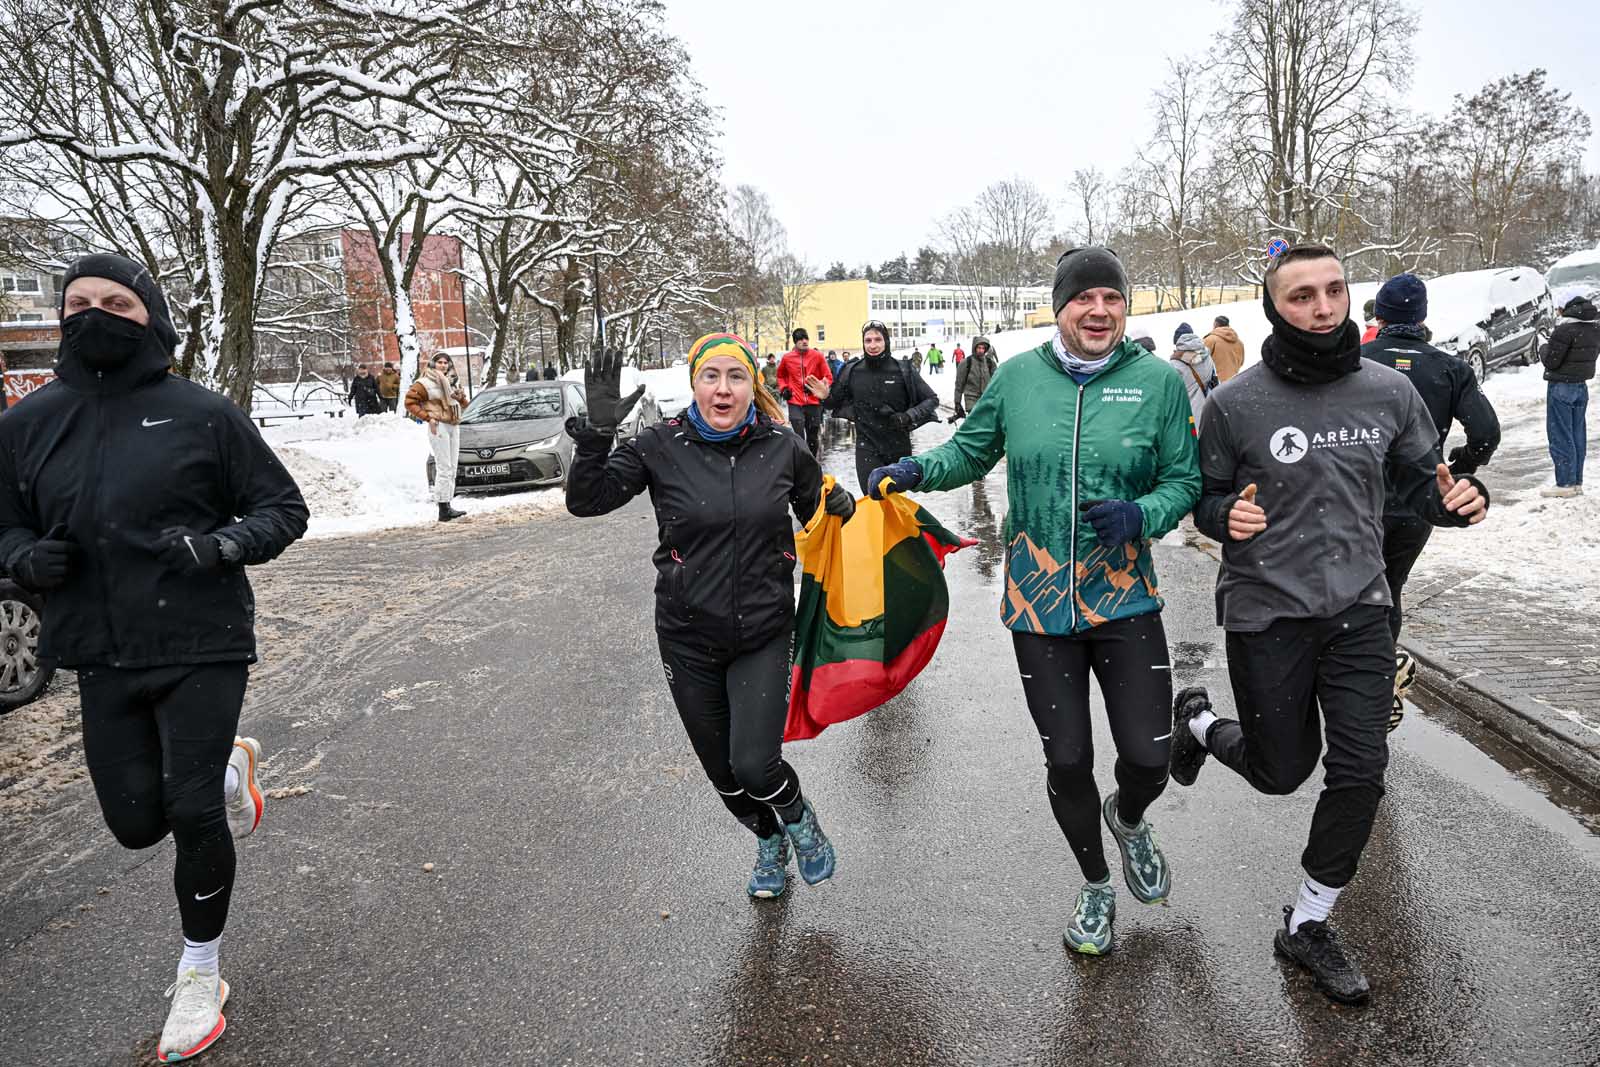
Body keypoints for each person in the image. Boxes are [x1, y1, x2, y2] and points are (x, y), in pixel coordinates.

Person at [0, 253, 308, 1062]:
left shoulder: (203, 413)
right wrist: (24, 556)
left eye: (117, 302)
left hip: (202, 639)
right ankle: (233, 767)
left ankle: (200, 972)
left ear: (152, 317)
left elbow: (283, 507)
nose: (94, 315)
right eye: (79, 302)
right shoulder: (28, 424)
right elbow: (4, 522)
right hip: (100, 649)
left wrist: (223, 545)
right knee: (137, 824)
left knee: (192, 809)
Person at [1171, 244, 1489, 1006]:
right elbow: (1202, 497)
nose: (1322, 306)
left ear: (1351, 295)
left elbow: (1421, 485)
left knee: (1360, 771)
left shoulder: (1388, 391)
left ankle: (1308, 921)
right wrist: (1224, 514)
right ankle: (1200, 721)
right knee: (1282, 771)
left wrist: (1459, 501)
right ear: (1274, 307)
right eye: (1302, 295)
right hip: (1266, 611)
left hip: (1359, 608)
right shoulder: (1234, 404)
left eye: (1334, 290)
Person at [867, 248, 1202, 956]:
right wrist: (915, 469)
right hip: (1039, 604)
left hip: (1126, 598)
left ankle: (1129, 818)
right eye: (1085, 298)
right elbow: (970, 451)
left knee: (1149, 757)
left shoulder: (1157, 383)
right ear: (1060, 308)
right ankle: (1096, 885)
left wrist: (1142, 515)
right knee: (1068, 760)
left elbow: (1183, 479)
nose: (1100, 311)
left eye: (1112, 298)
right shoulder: (1018, 377)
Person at [565, 338, 854, 899]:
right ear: (694, 384)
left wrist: (838, 506)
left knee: (754, 766)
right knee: (723, 775)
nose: (723, 389)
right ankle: (769, 840)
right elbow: (588, 500)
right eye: (711, 376)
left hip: (764, 631)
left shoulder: (783, 446)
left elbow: (818, 508)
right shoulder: (659, 445)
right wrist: (597, 438)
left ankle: (799, 819)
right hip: (687, 636)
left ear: (753, 385)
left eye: (736, 377)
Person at [1360, 273, 1500, 731]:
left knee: (1348, 591)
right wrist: (1461, 465)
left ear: (1380, 316)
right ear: (1421, 317)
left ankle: (1361, 681)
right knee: (1390, 586)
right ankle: (1378, 679)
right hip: (1416, 502)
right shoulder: (1450, 368)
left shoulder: (1358, 361)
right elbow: (1486, 432)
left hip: (1354, 499)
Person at [807, 320, 938, 493]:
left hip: (898, 446)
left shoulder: (903, 370)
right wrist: (825, 397)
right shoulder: (852, 370)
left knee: (895, 500)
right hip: (867, 446)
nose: (873, 345)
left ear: (886, 341)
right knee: (872, 496)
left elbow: (931, 399)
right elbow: (834, 403)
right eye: (868, 340)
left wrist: (908, 416)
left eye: (878, 340)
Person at [1540, 293, 1598, 498]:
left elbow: (1551, 361)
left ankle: (1565, 483)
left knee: (1560, 434)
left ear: (1566, 309)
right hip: (1581, 387)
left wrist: (1542, 347)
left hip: (1561, 387)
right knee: (1577, 434)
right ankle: (1576, 482)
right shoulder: (1594, 329)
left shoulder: (1564, 330)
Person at [405, 353, 469, 522]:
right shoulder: (424, 382)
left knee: (452, 467)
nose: (443, 365)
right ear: (433, 364)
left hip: (454, 425)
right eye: (439, 362)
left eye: (446, 362)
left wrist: (461, 398)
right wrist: (428, 418)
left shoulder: (453, 381)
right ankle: (443, 508)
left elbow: (464, 405)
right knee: (444, 467)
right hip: (439, 425)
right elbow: (409, 402)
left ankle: (447, 504)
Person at [776, 328, 831, 455]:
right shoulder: (787, 358)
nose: (804, 341)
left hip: (813, 402)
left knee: (812, 437)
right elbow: (780, 375)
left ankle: (812, 460)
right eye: (800, 339)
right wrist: (784, 388)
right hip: (795, 402)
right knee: (798, 436)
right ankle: (801, 461)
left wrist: (816, 387)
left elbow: (828, 377)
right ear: (795, 342)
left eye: (806, 338)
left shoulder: (817, 356)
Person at [1169, 329, 1219, 432]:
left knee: (1192, 437)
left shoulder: (1175, 364)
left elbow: (1171, 393)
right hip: (1210, 409)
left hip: (1188, 413)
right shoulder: (1207, 356)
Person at [951, 334, 997, 423]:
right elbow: (959, 385)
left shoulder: (990, 363)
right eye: (979, 348)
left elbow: (996, 382)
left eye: (983, 348)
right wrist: (957, 403)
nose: (981, 350)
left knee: (987, 424)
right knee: (975, 423)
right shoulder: (966, 363)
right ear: (974, 348)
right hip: (971, 399)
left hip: (986, 398)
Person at [1203, 315, 1245, 382]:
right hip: (1234, 381)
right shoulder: (1239, 343)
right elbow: (1241, 362)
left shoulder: (1210, 340)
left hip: (1216, 383)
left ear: (1215, 325)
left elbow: (1201, 361)